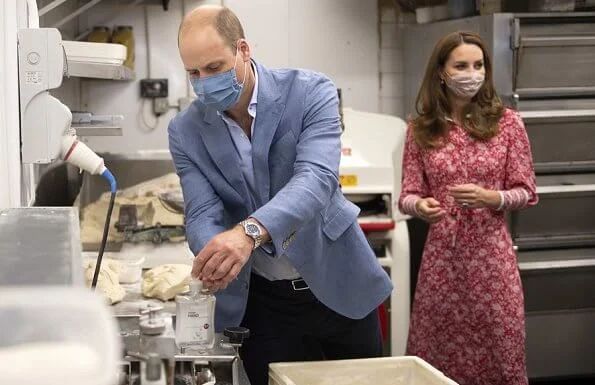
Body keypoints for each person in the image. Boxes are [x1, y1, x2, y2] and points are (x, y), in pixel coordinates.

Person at [169, 5, 393, 385]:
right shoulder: (185, 130)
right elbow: (203, 210)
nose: (204, 82)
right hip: (263, 304)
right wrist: (216, 255)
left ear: (243, 49)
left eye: (214, 68)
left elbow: (317, 179)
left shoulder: (308, 91)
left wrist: (247, 234)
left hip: (338, 282)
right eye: (194, 73)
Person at [398, 31, 538, 385]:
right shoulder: (420, 129)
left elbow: (527, 191)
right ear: (442, 72)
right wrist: (421, 206)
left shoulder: (508, 124)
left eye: (478, 65)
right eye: (461, 65)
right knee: (436, 360)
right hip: (443, 265)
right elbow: (407, 194)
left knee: (501, 354)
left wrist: (493, 198)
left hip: (493, 264)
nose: (471, 73)